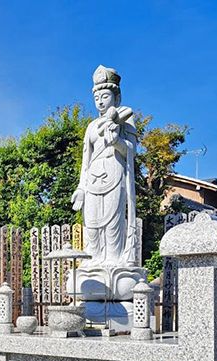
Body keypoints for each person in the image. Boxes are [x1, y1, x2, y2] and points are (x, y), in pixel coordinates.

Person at [71, 65, 138, 267]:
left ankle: (113, 261)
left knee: (112, 221)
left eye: (105, 96)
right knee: (91, 223)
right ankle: (93, 260)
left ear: (116, 98)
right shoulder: (91, 126)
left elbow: (131, 151)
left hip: (114, 169)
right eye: (97, 97)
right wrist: (81, 188)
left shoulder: (125, 119)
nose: (100, 101)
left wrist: (117, 141)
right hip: (92, 177)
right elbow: (86, 160)